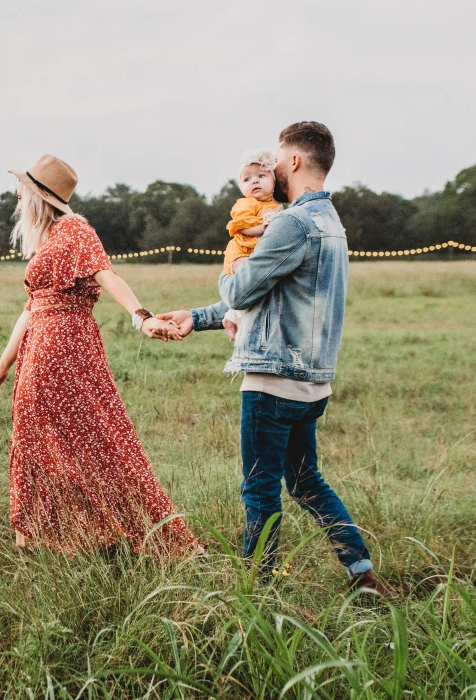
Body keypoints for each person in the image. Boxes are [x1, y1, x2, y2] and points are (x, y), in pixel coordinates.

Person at [157, 122, 394, 597]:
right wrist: (198, 317)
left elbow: (243, 288)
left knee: (259, 488)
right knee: (307, 483)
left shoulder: (290, 222)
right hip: (312, 383)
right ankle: (362, 574)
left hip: (273, 380)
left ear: (296, 162)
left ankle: (255, 589)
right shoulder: (332, 224)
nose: (271, 168)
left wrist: (233, 269)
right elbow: (272, 297)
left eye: (278, 159)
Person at [0, 153, 202, 557]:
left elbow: (107, 274)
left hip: (63, 346)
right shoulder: (48, 238)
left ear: (38, 196)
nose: (15, 196)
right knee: (40, 437)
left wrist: (141, 317)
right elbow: (30, 309)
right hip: (41, 345)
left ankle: (122, 531)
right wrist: (0, 368)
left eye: (21, 190)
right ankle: (45, 535)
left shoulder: (75, 229)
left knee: (93, 438)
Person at [222, 149, 282, 342]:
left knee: (257, 285)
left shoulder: (276, 206)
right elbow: (240, 225)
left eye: (261, 176)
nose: (254, 181)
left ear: (274, 181)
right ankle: (236, 318)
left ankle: (232, 316)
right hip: (241, 252)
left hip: (255, 253)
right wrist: (260, 228)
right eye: (246, 179)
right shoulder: (247, 204)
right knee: (248, 280)